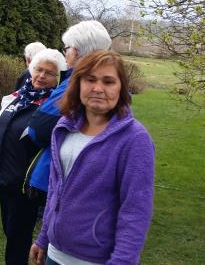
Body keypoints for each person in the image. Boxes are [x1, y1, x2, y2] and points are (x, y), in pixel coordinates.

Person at [29, 50, 155, 265]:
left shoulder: (134, 139)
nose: (98, 88)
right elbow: (55, 188)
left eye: (108, 82)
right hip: (55, 254)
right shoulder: (65, 127)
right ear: (78, 85)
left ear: (121, 88)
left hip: (96, 259)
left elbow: (135, 210)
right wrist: (44, 237)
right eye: (90, 80)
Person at [0, 49, 66, 265]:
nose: (41, 76)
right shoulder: (19, 97)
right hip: (5, 175)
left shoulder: (53, 107)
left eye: (49, 73)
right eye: (38, 70)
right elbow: (3, 131)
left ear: (58, 78)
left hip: (27, 182)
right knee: (10, 231)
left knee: (17, 237)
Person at [26, 21, 112, 200]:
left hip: (61, 178)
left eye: (66, 48)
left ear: (76, 51)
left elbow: (38, 129)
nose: (65, 53)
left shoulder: (74, 83)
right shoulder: (113, 84)